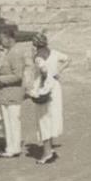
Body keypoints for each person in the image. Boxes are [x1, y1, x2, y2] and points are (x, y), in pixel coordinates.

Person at [26, 31, 66, 164]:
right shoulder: (54, 53)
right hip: (55, 87)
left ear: (35, 45)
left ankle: (47, 152)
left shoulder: (38, 57)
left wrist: (43, 83)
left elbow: (43, 70)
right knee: (52, 116)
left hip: (45, 89)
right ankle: (50, 149)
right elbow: (68, 59)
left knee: (43, 120)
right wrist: (57, 72)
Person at [0, 23, 32, 157]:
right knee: (5, 119)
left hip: (13, 92)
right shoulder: (11, 51)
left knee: (12, 121)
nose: (1, 42)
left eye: (2, 39)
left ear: (8, 38)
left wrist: (0, 79)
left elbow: (17, 75)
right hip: (6, 92)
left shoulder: (16, 52)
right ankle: (11, 146)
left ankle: (13, 147)